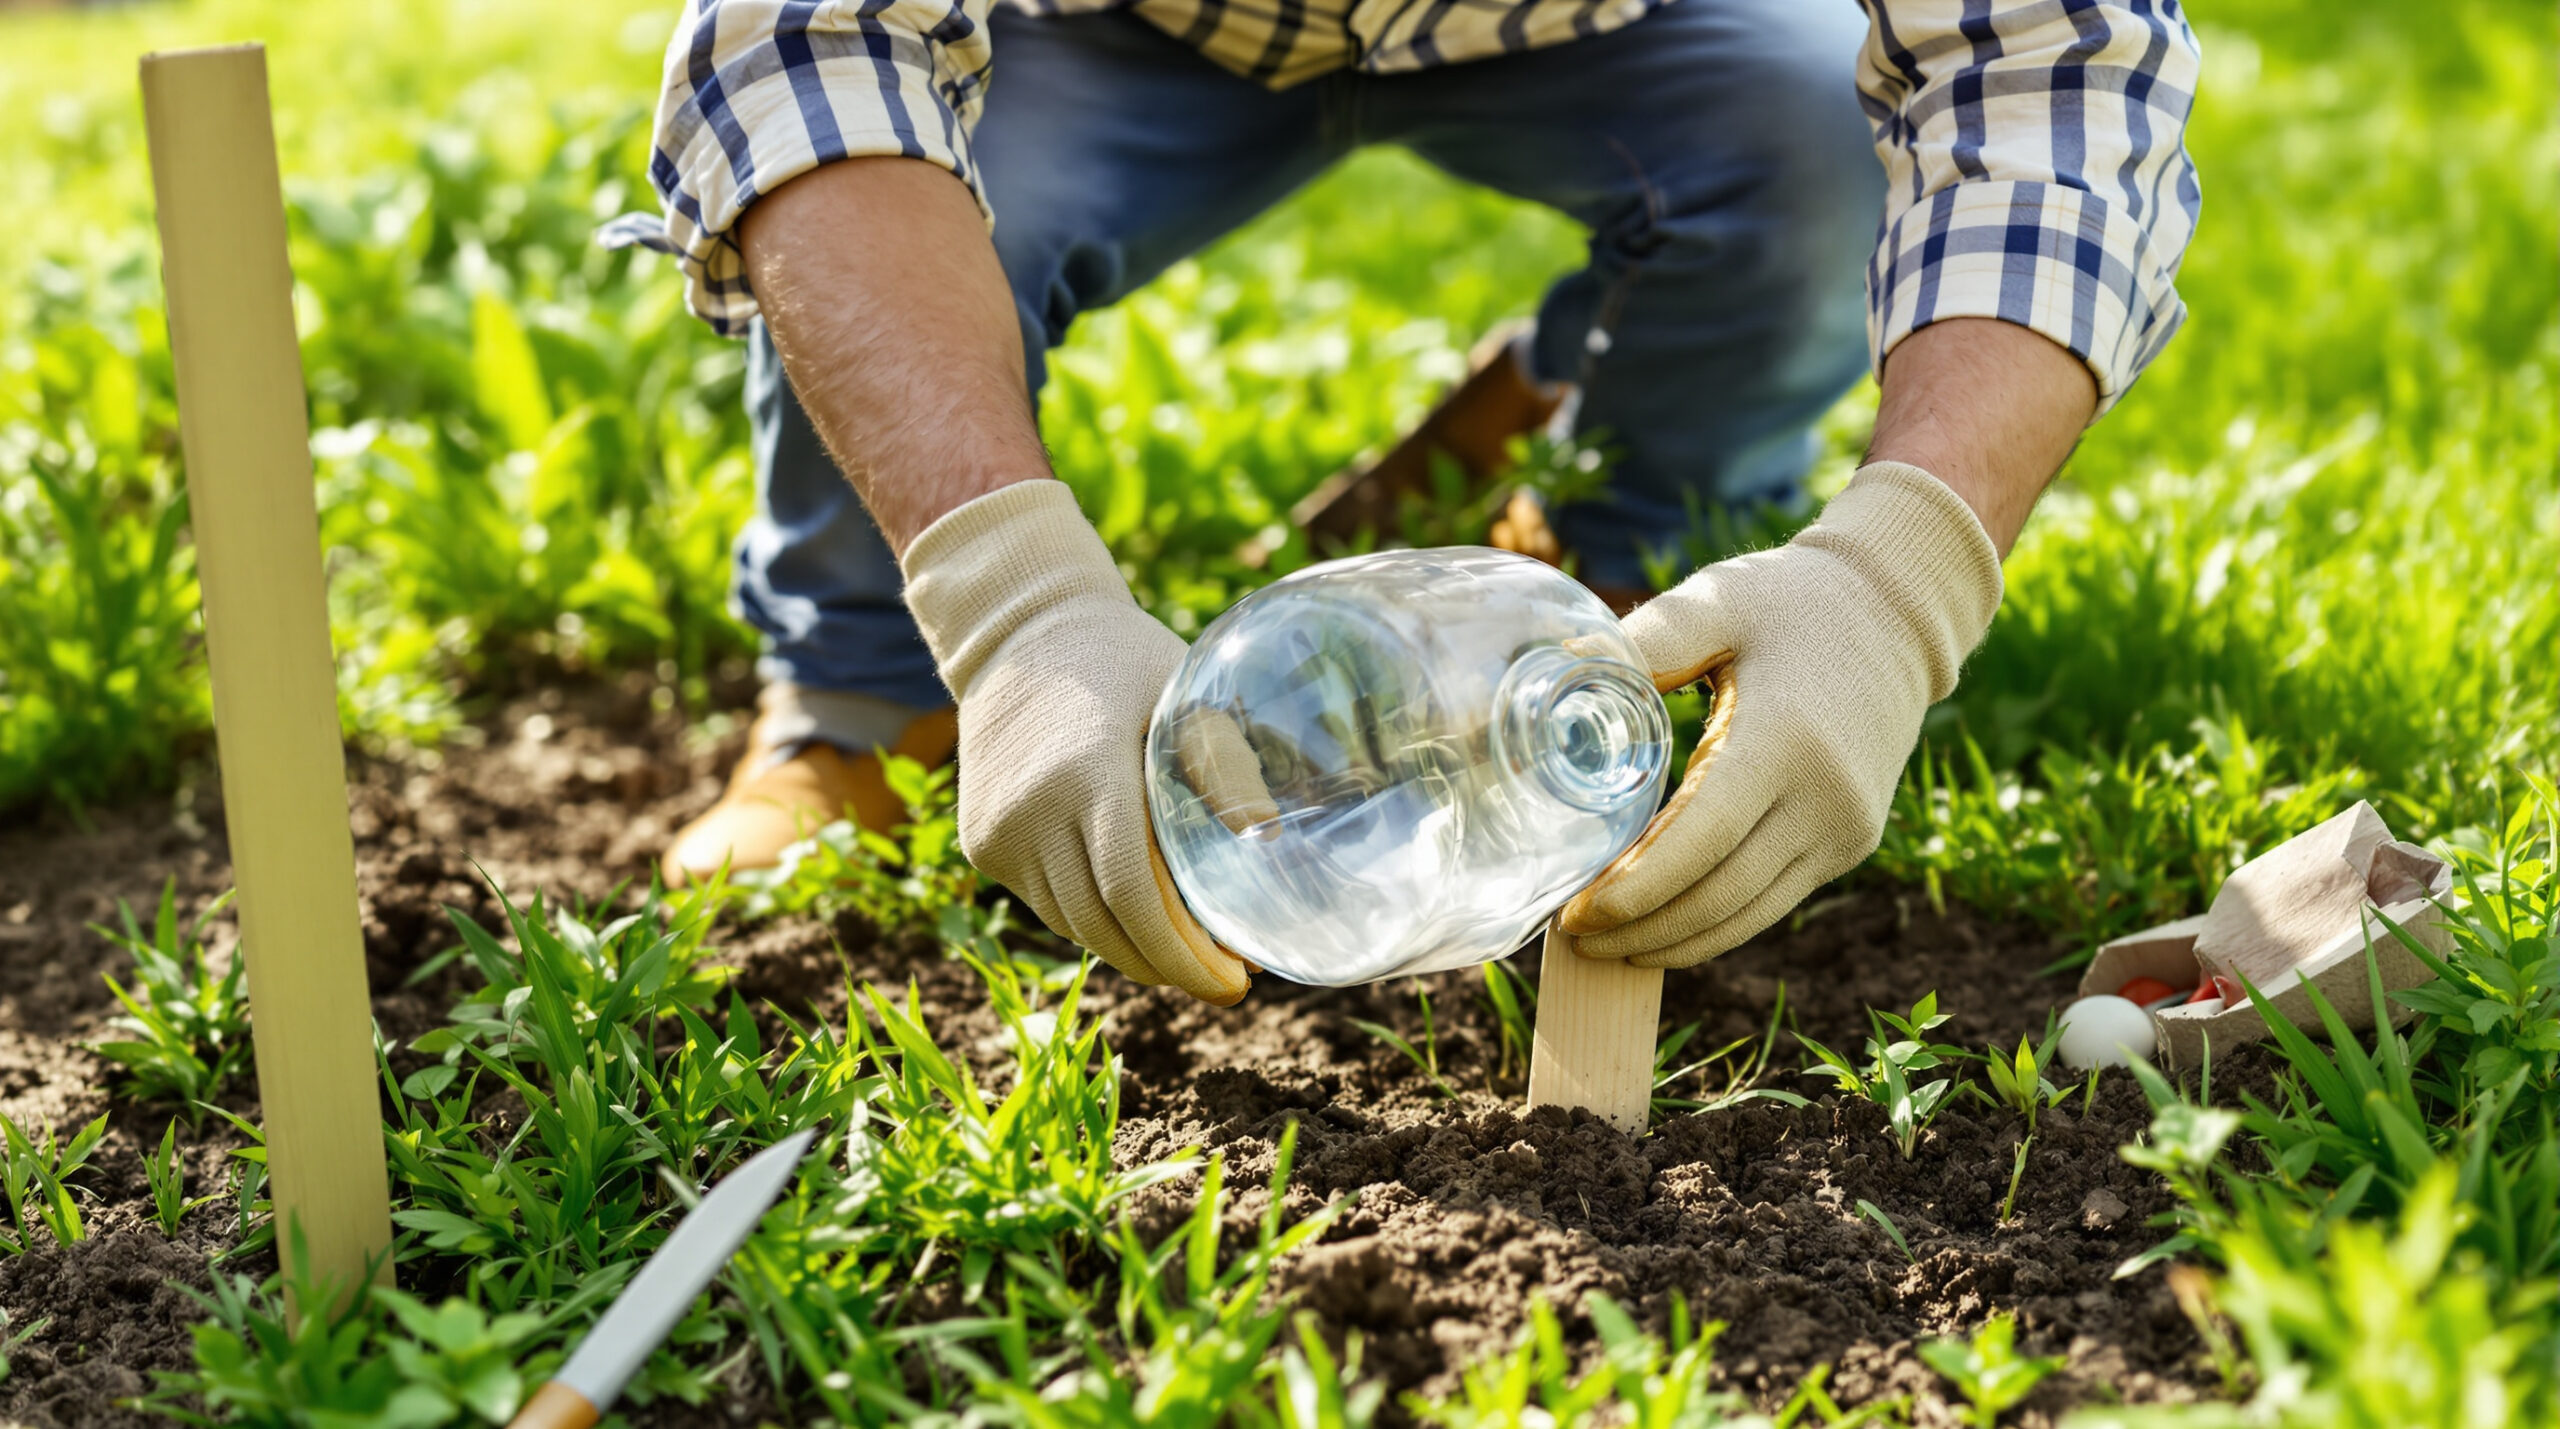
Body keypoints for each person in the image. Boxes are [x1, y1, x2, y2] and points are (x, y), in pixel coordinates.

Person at [609, 0, 2199, 1004]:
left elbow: (2055, 76)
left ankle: (1618, 580)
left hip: (1590, 27)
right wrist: (1012, 605)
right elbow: (806, 51)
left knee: (1809, 154)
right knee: (906, 218)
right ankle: (864, 692)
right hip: (1103, 28)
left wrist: (1898, 580)